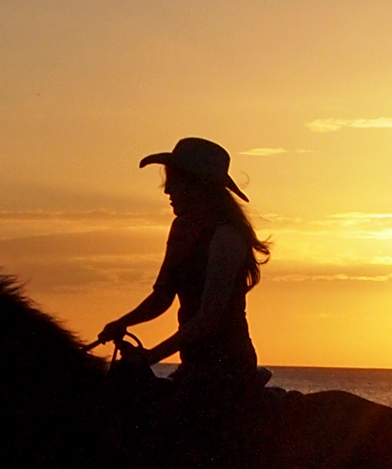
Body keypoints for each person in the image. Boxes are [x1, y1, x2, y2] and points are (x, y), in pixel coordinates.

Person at [97, 137, 270, 401]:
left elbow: (208, 318)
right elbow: (161, 297)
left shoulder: (227, 237)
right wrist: (122, 323)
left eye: (174, 181)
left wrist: (151, 357)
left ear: (197, 186)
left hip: (227, 368)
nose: (167, 190)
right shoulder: (181, 230)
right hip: (193, 364)